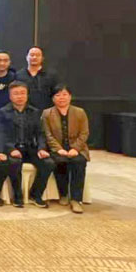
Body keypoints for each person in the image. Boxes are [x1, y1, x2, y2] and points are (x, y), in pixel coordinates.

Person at [1, 81, 56, 208]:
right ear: (10, 96)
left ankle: (35, 194)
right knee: (14, 162)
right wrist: (10, 149)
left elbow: (40, 133)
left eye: (22, 93)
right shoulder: (2, 112)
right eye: (16, 94)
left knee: (48, 163)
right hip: (12, 148)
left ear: (27, 95)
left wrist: (41, 148)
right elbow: (1, 135)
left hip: (30, 147)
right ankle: (18, 196)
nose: (19, 96)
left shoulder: (35, 112)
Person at [42, 84, 89, 214]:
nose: (61, 98)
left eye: (64, 95)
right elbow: (48, 135)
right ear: (53, 98)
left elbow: (84, 133)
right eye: (58, 95)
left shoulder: (80, 112)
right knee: (60, 161)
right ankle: (63, 194)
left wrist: (76, 148)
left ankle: (76, 199)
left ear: (70, 96)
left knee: (79, 162)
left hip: (77, 148)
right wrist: (58, 149)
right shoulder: (47, 113)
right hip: (57, 148)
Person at [15, 46, 59, 111]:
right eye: (32, 55)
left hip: (46, 112)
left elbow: (56, 94)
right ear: (27, 57)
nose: (34, 57)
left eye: (37, 55)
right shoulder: (19, 75)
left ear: (42, 58)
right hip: (25, 112)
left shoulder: (51, 75)